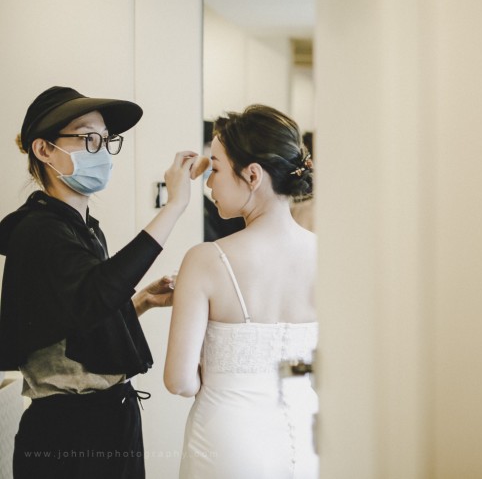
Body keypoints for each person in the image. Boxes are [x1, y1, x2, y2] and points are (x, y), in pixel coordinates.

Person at [0, 86, 198, 478]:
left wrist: (138, 302)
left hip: (109, 418)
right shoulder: (39, 230)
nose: (103, 150)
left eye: (107, 140)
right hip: (70, 433)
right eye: (89, 138)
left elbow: (78, 313)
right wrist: (174, 206)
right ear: (44, 150)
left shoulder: (84, 230)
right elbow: (96, 292)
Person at [164, 105, 317, 478]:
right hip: (307, 434)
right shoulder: (330, 256)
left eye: (214, 169)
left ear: (252, 175)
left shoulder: (205, 260)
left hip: (228, 439)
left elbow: (179, 381)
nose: (208, 183)